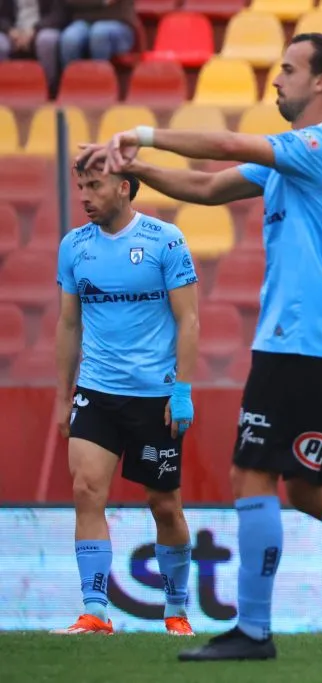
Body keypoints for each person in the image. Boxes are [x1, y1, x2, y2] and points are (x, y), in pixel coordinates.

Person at [77, 33, 322, 661]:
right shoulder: (294, 158)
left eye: (288, 69)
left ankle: (254, 631)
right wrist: (136, 170)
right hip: (307, 342)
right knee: (309, 487)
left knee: (251, 474)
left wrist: (143, 135)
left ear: (320, 82)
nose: (276, 79)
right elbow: (207, 188)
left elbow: (228, 145)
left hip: (298, 341)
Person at [50, 163, 198, 636]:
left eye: (94, 186)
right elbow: (68, 324)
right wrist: (62, 396)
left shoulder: (165, 240)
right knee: (86, 491)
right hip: (96, 391)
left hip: (154, 397)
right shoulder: (73, 246)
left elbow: (189, 320)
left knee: (165, 506)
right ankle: (96, 611)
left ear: (123, 188)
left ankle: (176, 610)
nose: (84, 196)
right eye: (81, 187)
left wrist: (182, 391)